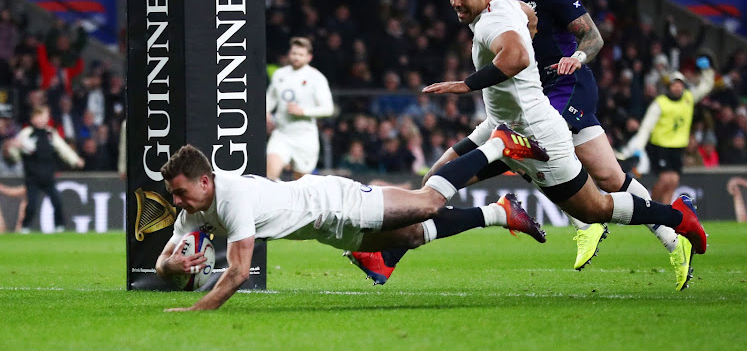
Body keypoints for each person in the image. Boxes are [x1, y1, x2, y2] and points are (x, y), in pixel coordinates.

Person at [347, 0, 706, 291]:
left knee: (595, 208)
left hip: (534, 133)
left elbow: (517, 57)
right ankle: (391, 254)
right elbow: (528, 20)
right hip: (501, 126)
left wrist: (464, 85)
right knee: (434, 185)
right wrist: (528, 32)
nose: (455, 2)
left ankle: (676, 216)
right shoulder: (504, 6)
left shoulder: (492, 21)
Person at [486, 0, 693, 284]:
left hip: (571, 84)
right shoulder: (501, 2)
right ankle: (675, 239)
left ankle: (584, 222)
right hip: (542, 92)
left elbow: (593, 36)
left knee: (529, 146)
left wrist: (577, 57)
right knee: (611, 178)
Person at [155, 137, 549, 311]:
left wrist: (199, 309)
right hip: (327, 229)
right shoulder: (192, 210)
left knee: (428, 202)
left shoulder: (231, 197)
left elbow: (239, 272)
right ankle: (501, 212)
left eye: (181, 192)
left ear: (205, 181)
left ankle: (496, 145)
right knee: (411, 236)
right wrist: (169, 267)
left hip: (335, 202)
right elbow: (163, 261)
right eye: (173, 194)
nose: (176, 201)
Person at [619, 66, 715, 204]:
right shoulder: (660, 103)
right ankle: (650, 205)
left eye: (679, 85)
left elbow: (706, 86)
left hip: (678, 146)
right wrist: (638, 148)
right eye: (674, 85)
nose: (677, 88)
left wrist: (707, 71)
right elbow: (646, 127)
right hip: (660, 146)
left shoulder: (688, 98)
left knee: (674, 181)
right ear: (669, 87)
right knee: (665, 179)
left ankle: (665, 213)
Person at [5, 105, 84, 233]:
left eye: (44, 117)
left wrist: (75, 160)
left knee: (57, 202)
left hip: (48, 176)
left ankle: (60, 226)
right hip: (32, 177)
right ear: (33, 119)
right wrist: (13, 148)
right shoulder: (26, 133)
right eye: (39, 117)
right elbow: (15, 155)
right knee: (31, 205)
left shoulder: (50, 134)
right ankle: (25, 227)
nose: (42, 119)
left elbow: (63, 149)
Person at [266, 37, 334, 181]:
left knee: (301, 183)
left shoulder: (316, 78)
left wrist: (303, 111)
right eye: (294, 53)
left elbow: (328, 108)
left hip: (305, 136)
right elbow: (270, 100)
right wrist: (266, 114)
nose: (296, 57)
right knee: (270, 174)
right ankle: (279, 201)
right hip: (282, 133)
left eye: (301, 54)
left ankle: (291, 201)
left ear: (309, 57)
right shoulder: (280, 74)